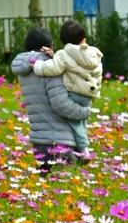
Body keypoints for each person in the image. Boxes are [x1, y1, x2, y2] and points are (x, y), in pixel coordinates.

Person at [11, 26, 91, 171]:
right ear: (49, 46)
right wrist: (84, 112)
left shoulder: (24, 69)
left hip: (39, 139)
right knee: (61, 188)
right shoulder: (49, 67)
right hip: (60, 142)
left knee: (46, 189)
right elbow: (60, 104)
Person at [32, 20, 103, 155]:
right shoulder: (94, 53)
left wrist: (38, 66)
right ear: (84, 39)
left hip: (74, 92)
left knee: (74, 123)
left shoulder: (63, 54)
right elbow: (96, 72)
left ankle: (83, 150)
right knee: (81, 122)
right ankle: (82, 148)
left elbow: (54, 69)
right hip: (89, 93)